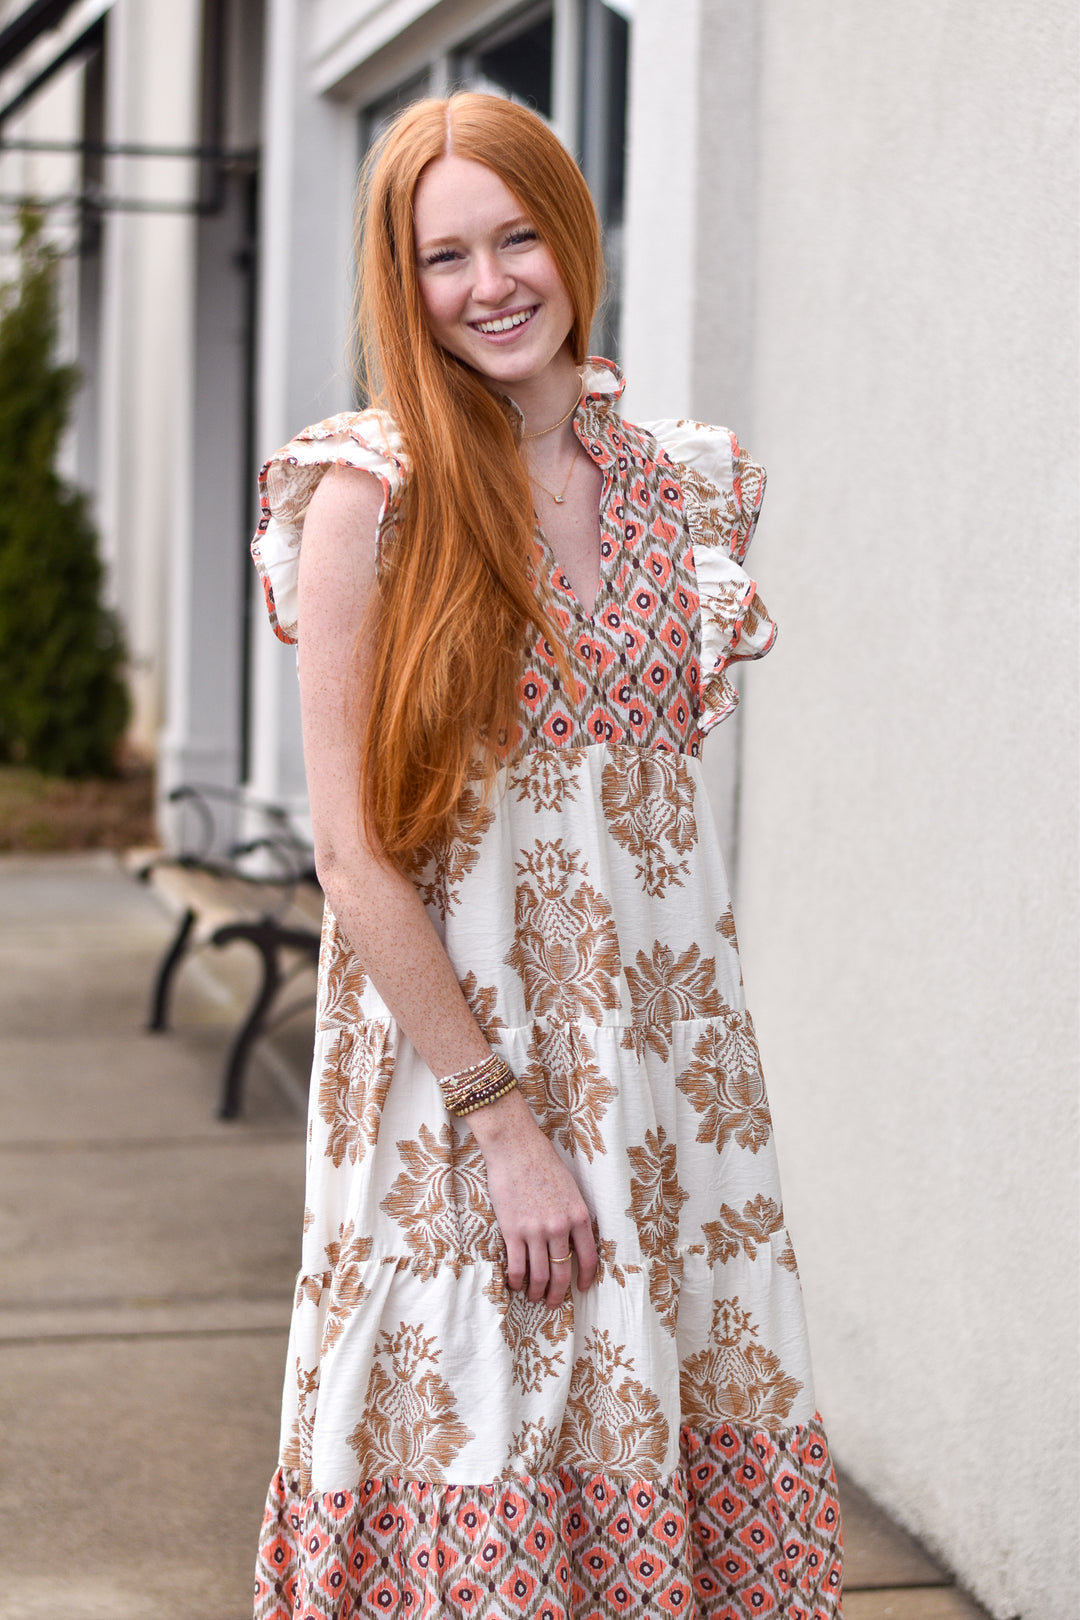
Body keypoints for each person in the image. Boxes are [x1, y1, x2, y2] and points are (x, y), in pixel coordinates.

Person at [250, 91, 842, 1620]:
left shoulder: (684, 481)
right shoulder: (367, 494)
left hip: (670, 1087)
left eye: (519, 236)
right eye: (445, 256)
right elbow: (348, 850)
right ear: (404, 278)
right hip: (458, 1087)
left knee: (665, 1452)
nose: (492, 282)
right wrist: (503, 1123)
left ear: (574, 240)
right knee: (481, 1463)